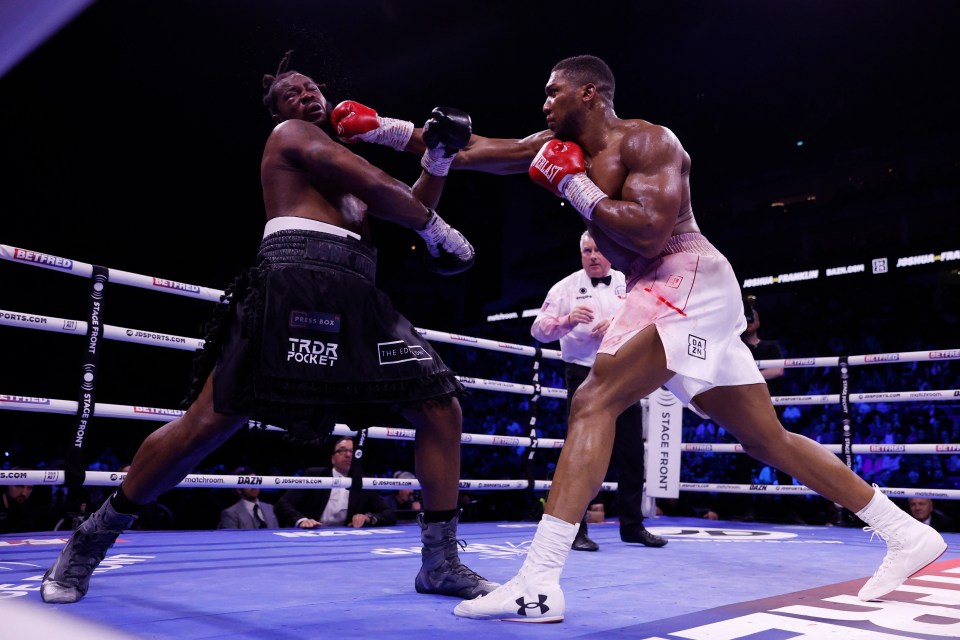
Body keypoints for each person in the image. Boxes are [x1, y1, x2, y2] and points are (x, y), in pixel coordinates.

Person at [430, 54, 947, 621]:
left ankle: (537, 583)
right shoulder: (555, 146)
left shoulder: (649, 142)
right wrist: (379, 129)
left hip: (683, 275)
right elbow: (470, 149)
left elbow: (650, 236)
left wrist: (573, 185)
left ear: (588, 93)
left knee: (595, 398)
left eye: (553, 92)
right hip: (667, 290)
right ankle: (906, 533)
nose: (544, 103)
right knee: (765, 440)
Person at [40, 50, 497, 604]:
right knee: (208, 425)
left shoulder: (342, 154)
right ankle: (91, 538)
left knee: (440, 405)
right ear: (279, 111)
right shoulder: (291, 137)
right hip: (294, 278)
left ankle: (440, 563)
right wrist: (437, 225)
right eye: (291, 93)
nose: (305, 96)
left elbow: (401, 205)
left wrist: (438, 162)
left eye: (310, 89)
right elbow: (387, 192)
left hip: (358, 288)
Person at [530, 230, 666, 551]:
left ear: (610, 253)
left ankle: (632, 525)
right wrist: (565, 320)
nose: (593, 256)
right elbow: (539, 329)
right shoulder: (565, 287)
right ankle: (574, 531)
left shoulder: (628, 281)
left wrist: (622, 322)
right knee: (583, 451)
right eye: (587, 250)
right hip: (583, 374)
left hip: (623, 372)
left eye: (598, 250)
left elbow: (654, 318)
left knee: (632, 452)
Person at [275, 437, 396, 528]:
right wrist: (301, 520)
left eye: (352, 452)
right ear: (333, 458)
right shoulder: (315, 475)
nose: (348, 455)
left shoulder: (363, 482)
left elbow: (389, 513)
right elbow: (283, 503)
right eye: (342, 451)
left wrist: (368, 518)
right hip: (311, 534)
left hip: (345, 539)